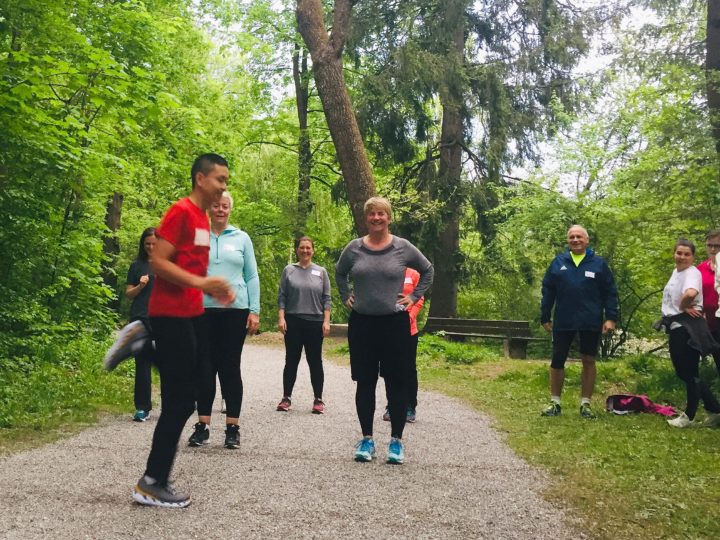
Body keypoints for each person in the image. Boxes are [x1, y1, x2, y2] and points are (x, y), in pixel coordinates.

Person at [132, 153, 234, 508]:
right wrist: (203, 283)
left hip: (191, 314)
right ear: (200, 179)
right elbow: (157, 262)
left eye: (226, 181)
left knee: (191, 390)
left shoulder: (203, 218)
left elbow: (190, 265)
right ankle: (152, 482)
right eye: (220, 179)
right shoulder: (181, 212)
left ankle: (141, 345)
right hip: (170, 313)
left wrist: (210, 289)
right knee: (180, 400)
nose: (224, 186)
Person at [336, 197, 433, 465]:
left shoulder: (402, 248)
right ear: (366, 219)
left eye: (382, 214)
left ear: (389, 218)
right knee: (365, 382)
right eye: (372, 214)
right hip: (363, 324)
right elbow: (340, 272)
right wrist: (346, 295)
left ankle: (396, 442)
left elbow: (427, 270)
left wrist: (414, 297)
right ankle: (367, 439)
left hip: (395, 324)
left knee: (396, 382)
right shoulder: (354, 249)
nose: (377, 218)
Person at [187, 191, 260, 449]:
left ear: (230, 209)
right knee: (204, 367)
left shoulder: (242, 238)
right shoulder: (198, 235)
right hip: (202, 310)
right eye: (216, 205)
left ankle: (232, 428)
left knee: (230, 367)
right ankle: (203, 426)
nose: (220, 210)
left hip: (235, 309)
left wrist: (254, 310)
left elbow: (251, 275)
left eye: (225, 206)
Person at [540, 224, 618, 418]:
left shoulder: (598, 264)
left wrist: (610, 317)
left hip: (590, 319)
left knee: (588, 360)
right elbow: (548, 291)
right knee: (557, 360)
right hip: (563, 320)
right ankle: (555, 403)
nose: (575, 240)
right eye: (572, 237)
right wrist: (544, 316)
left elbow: (610, 292)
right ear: (568, 241)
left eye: (579, 237)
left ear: (587, 240)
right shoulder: (558, 263)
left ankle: (586, 404)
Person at [662, 238, 720, 428]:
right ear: (674, 253)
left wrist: (683, 306)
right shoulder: (676, 271)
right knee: (685, 372)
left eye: (687, 254)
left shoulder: (692, 273)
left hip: (687, 327)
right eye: (679, 253)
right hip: (677, 325)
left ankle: (689, 416)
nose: (682, 257)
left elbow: (691, 293)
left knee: (688, 371)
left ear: (693, 256)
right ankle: (715, 409)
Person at [276, 236, 331, 414]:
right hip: (293, 321)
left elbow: (326, 298)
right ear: (297, 250)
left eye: (308, 248)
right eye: (302, 248)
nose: (305, 251)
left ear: (313, 250)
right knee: (291, 360)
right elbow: (282, 296)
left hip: (315, 322)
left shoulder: (321, 272)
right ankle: (286, 398)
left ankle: (318, 399)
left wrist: (326, 321)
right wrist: (281, 317)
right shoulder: (289, 270)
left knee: (315, 361)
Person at [382, 267, 424, 423]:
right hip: (387, 328)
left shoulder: (413, 274)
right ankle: (391, 405)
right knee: (389, 368)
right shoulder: (386, 271)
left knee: (408, 368)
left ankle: (410, 406)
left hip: (408, 330)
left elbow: (419, 298)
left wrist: (410, 316)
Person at [125, 227, 157, 422]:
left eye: (154, 244)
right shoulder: (136, 265)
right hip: (140, 318)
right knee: (142, 363)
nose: (151, 247)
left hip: (164, 318)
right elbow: (129, 294)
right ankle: (142, 407)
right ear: (142, 245)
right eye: (147, 244)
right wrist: (140, 286)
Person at [698, 229, 720, 376]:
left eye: (717, 246)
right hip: (709, 325)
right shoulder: (700, 269)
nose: (712, 249)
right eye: (709, 245)